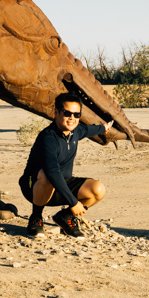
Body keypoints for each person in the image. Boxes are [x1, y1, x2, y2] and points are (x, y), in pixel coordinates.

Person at [19, 93, 110, 238]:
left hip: (61, 185)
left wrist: (104, 127)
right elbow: (52, 172)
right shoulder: (47, 138)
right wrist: (73, 202)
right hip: (34, 185)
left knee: (97, 189)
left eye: (76, 114)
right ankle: (36, 218)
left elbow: (88, 130)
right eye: (67, 113)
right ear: (56, 112)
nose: (72, 118)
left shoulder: (76, 131)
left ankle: (65, 217)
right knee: (47, 175)